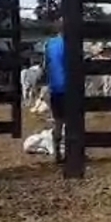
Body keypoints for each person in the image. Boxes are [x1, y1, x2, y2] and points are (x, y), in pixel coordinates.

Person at [43, 30, 66, 160]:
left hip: (55, 87)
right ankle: (74, 151)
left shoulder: (49, 43)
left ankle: (57, 152)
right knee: (74, 121)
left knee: (58, 121)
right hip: (71, 87)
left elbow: (45, 66)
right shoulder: (73, 43)